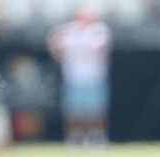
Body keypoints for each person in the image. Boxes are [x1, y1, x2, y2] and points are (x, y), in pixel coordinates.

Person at [47, 6, 112, 147]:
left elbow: (101, 48)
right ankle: (75, 138)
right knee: (74, 111)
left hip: (94, 78)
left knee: (95, 111)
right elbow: (55, 45)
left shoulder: (99, 31)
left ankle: (97, 138)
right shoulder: (69, 31)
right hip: (73, 79)